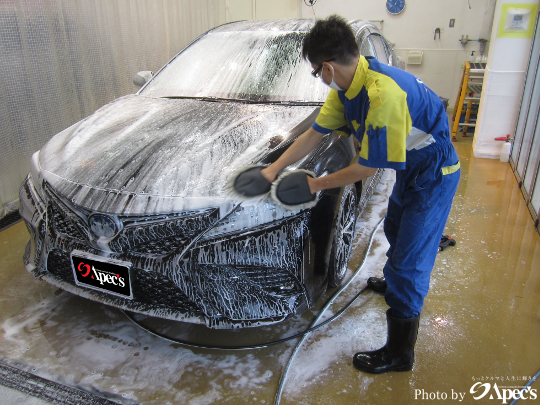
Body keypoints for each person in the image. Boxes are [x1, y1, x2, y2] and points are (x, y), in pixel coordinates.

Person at [231, 15, 460, 374]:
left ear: (327, 67)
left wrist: (313, 184)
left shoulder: (383, 96)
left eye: (315, 72)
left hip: (433, 171)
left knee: (410, 259)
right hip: (412, 164)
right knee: (396, 230)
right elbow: (315, 133)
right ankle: (395, 282)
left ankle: (400, 352)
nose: (319, 78)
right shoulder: (349, 86)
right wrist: (272, 170)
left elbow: (368, 168)